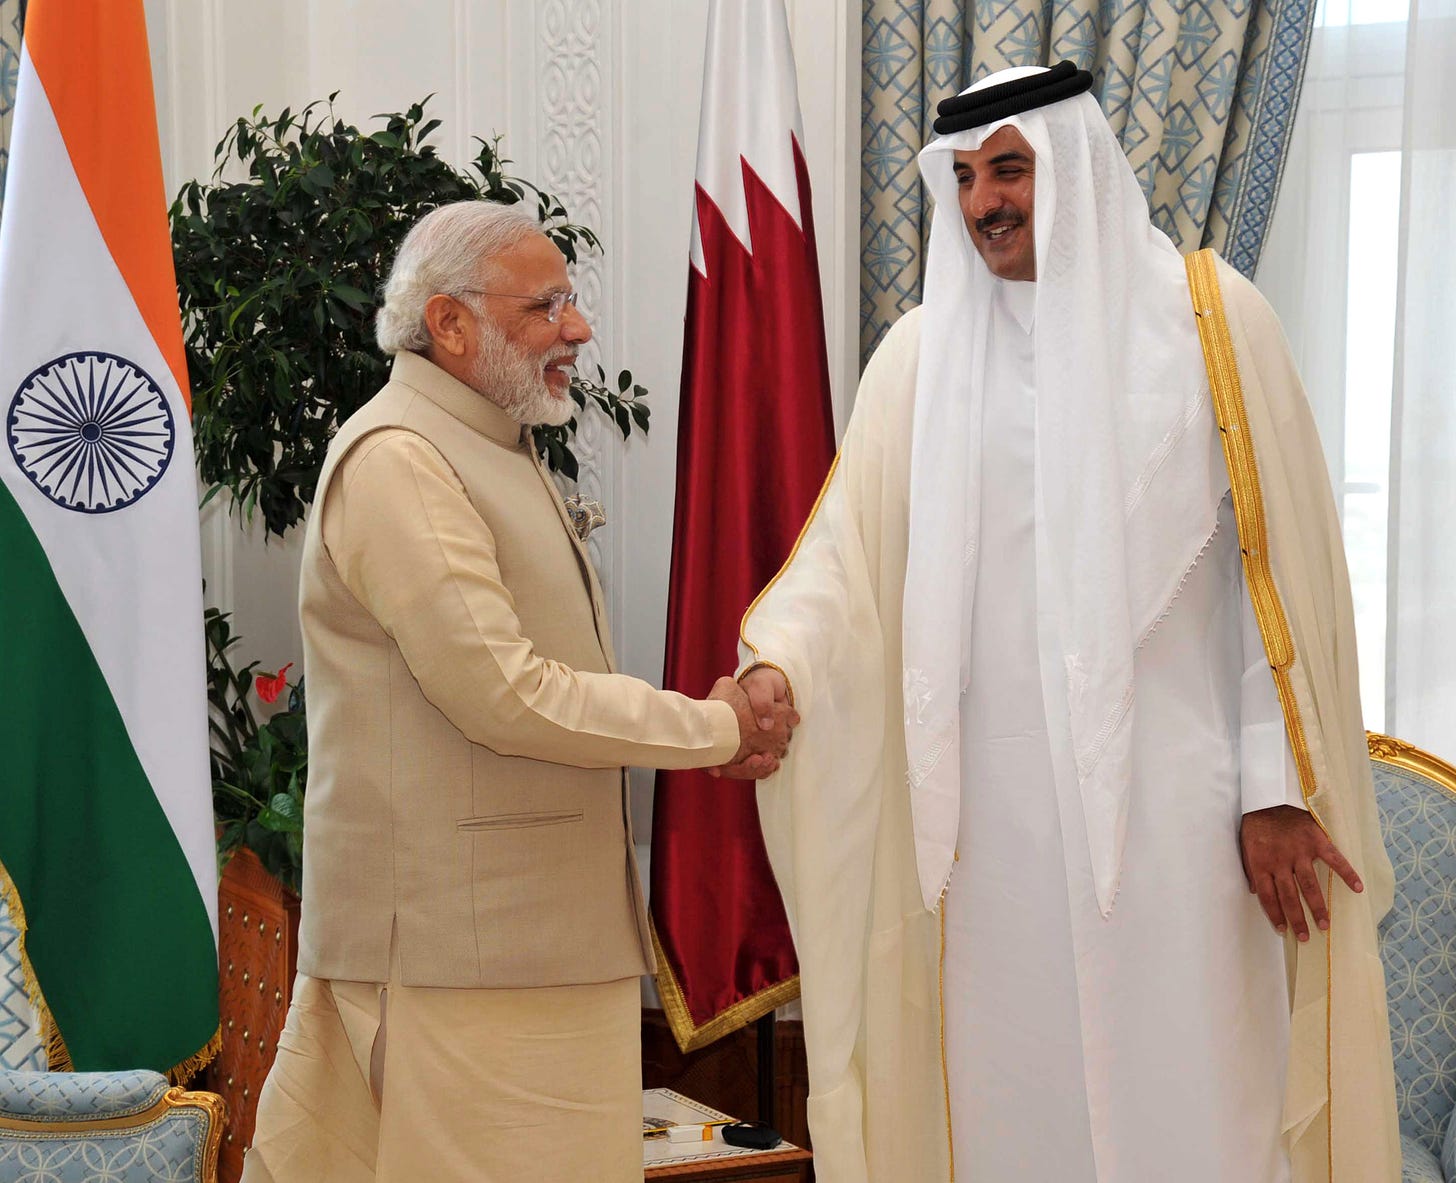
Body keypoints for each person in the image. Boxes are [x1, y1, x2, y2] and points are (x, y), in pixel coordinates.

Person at [734, 64, 1398, 1182]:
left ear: (1078, 168)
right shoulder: (918, 359)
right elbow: (840, 561)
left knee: (1196, 1100)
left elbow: (1268, 580)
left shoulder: (1209, 323)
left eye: (1010, 167)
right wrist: (775, 668)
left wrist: (1275, 788)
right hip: (986, 840)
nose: (986, 199)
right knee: (1010, 1113)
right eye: (965, 176)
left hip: (1179, 825)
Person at [241, 200, 797, 1183]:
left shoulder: (489, 443)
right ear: (449, 324)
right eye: (545, 307)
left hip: (522, 951)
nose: (576, 329)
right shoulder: (400, 461)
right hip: (460, 960)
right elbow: (505, 694)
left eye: (569, 302)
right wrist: (715, 726)